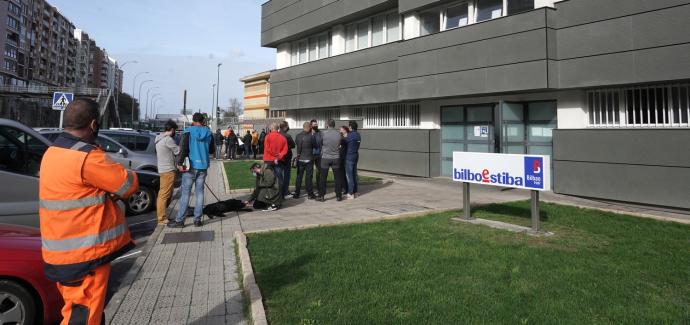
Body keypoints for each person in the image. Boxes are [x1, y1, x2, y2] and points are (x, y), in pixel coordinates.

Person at [39, 98, 139, 324]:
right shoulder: (86, 156)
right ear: (93, 125)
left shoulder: (53, 152)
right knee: (82, 318)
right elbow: (127, 184)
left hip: (60, 251)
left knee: (81, 311)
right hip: (84, 257)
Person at [168, 113, 215, 228]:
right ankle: (197, 220)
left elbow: (183, 149)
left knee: (185, 194)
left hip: (190, 167)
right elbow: (211, 150)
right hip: (203, 167)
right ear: (203, 121)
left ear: (193, 121)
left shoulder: (188, 132)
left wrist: (179, 163)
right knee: (200, 193)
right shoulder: (209, 133)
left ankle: (180, 221)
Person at [155, 120, 181, 224]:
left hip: (162, 169)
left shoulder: (159, 138)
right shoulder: (168, 140)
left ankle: (163, 216)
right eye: (175, 130)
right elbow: (177, 151)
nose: (176, 132)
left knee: (164, 194)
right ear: (172, 129)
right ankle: (161, 218)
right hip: (168, 170)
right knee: (164, 195)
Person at [317, 119, 343, 202]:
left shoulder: (323, 134)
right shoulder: (339, 134)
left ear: (327, 124)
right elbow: (339, 144)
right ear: (334, 125)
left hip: (325, 158)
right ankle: (338, 196)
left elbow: (320, 143)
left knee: (323, 178)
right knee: (337, 177)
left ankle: (321, 196)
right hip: (336, 158)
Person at [263, 122, 288, 193]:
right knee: (279, 178)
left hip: (269, 160)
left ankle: (269, 194)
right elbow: (285, 150)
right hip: (278, 160)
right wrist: (278, 156)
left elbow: (267, 148)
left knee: (268, 178)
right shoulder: (283, 138)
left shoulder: (267, 136)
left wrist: (275, 155)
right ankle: (281, 195)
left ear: (272, 128)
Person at [294, 122, 316, 199]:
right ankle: (310, 194)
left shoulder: (297, 136)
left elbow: (297, 144)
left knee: (299, 176)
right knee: (308, 177)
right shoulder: (311, 136)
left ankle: (297, 193)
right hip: (309, 158)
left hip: (300, 158)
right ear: (309, 127)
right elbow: (315, 145)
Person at [345, 121, 362, 199]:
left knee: (350, 175)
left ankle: (350, 193)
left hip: (349, 156)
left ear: (351, 127)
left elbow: (344, 142)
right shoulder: (358, 135)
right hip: (356, 155)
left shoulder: (350, 135)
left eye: (349, 127)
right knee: (354, 174)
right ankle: (355, 192)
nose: (348, 128)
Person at [279, 121, 295, 198]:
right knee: (286, 175)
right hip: (286, 157)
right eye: (287, 126)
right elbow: (293, 145)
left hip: (278, 157)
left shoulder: (277, 134)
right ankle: (285, 192)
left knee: (279, 175)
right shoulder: (287, 136)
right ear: (285, 127)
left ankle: (281, 192)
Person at [338, 126, 349, 198]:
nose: (339, 131)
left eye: (341, 130)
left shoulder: (347, 138)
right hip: (341, 157)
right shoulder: (341, 138)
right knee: (341, 173)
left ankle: (347, 188)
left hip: (346, 157)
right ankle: (344, 188)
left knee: (347, 174)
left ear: (345, 130)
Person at [310, 119, 322, 184]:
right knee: (310, 171)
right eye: (314, 124)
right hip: (311, 154)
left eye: (316, 124)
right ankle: (310, 185)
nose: (316, 125)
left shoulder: (320, 133)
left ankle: (318, 184)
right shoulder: (309, 133)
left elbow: (321, 142)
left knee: (318, 171)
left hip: (318, 154)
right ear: (311, 125)